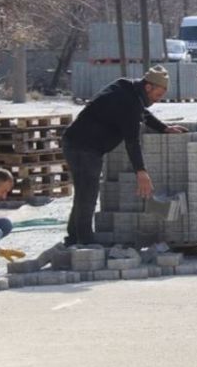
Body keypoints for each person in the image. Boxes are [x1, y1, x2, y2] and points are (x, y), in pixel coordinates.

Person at [61, 65, 188, 246]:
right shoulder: (128, 101)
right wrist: (141, 172)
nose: (158, 100)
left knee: (83, 192)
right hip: (83, 146)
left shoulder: (127, 88)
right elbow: (131, 141)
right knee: (87, 194)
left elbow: (142, 113)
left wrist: (164, 128)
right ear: (148, 87)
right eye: (157, 95)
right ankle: (85, 242)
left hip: (80, 144)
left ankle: (74, 237)